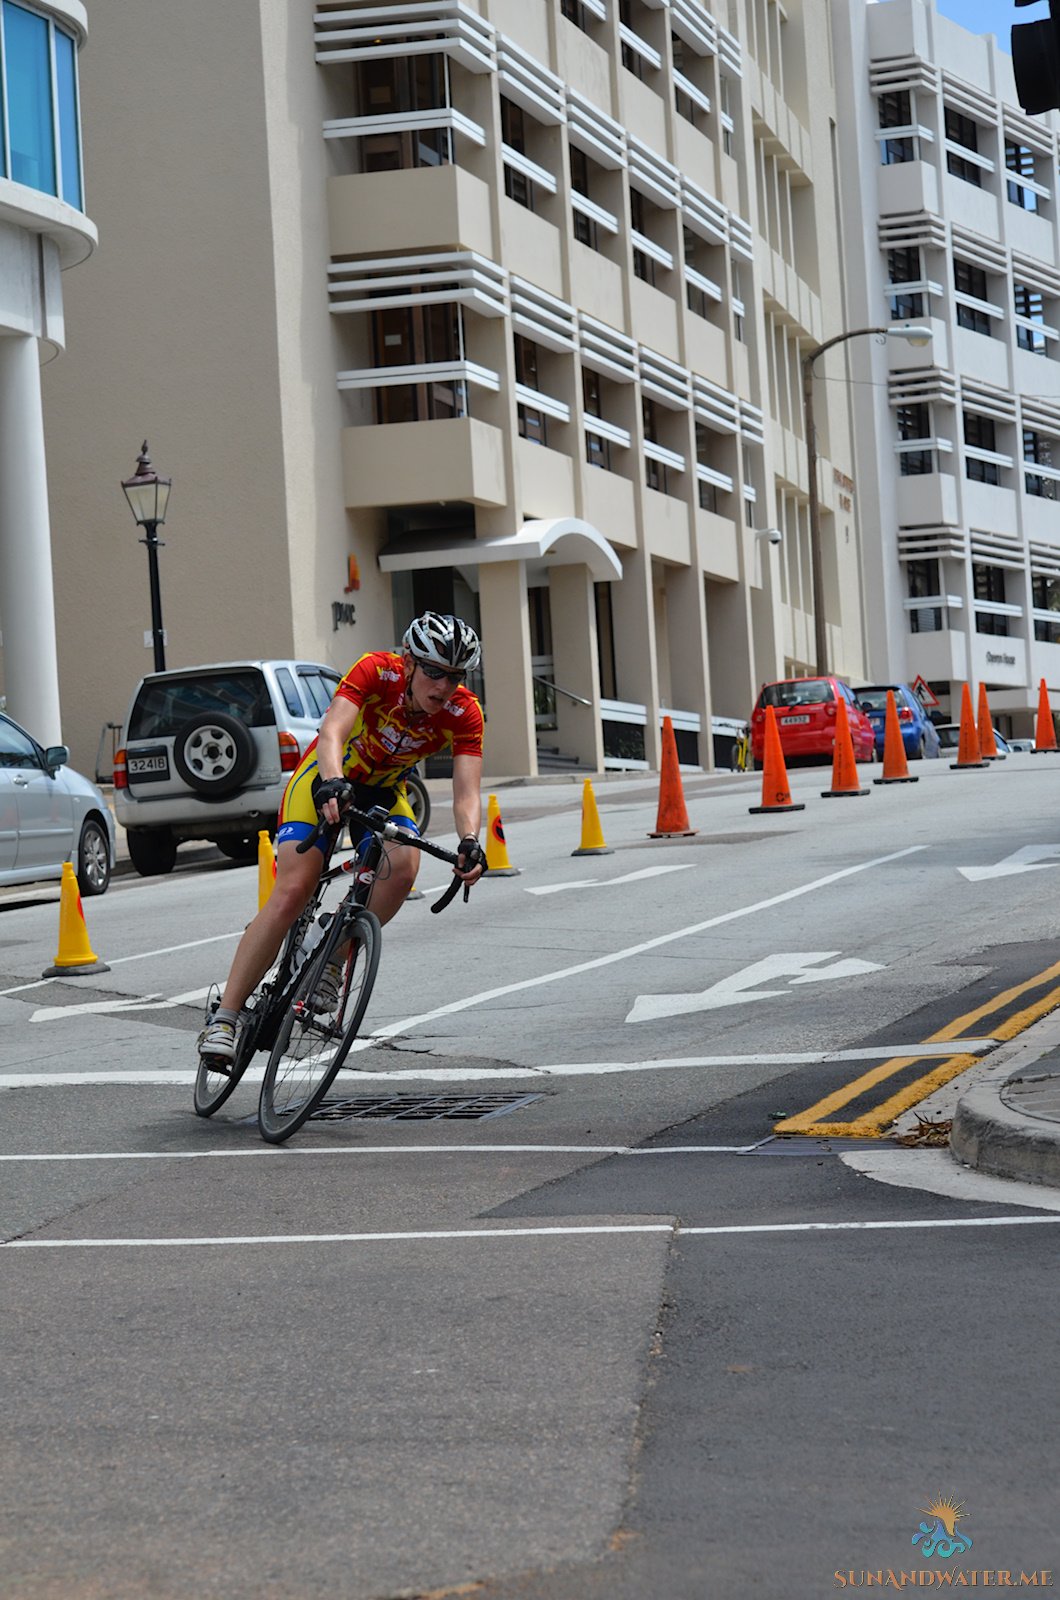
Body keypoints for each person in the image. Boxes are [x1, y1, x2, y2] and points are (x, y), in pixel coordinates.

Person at [198, 611, 486, 1065]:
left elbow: (467, 792)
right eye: (434, 671)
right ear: (409, 661)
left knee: (403, 867)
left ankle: (334, 955)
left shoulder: (465, 712)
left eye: (455, 676)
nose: (444, 686)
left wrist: (470, 840)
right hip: (327, 776)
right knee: (293, 890)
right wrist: (332, 782)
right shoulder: (376, 670)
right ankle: (226, 1017)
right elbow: (333, 731)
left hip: (384, 790)